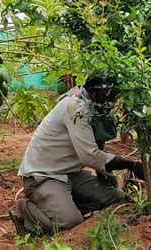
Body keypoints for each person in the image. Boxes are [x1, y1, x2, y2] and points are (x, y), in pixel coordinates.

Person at [9, 75, 144, 235]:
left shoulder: (88, 103)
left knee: (114, 198)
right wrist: (131, 165)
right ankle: (24, 211)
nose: (112, 101)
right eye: (108, 95)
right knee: (69, 223)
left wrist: (103, 171)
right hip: (44, 176)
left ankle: (63, 205)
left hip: (71, 174)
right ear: (94, 93)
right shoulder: (75, 107)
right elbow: (90, 156)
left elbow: (94, 148)